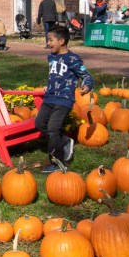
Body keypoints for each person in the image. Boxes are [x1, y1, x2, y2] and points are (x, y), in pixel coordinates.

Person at [35, 26, 94, 173]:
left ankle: (57, 163)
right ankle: (65, 141)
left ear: (61, 41)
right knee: (39, 124)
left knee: (53, 128)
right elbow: (55, 75)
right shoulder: (51, 57)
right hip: (50, 97)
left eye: (51, 40)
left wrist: (86, 86)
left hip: (64, 99)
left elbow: (86, 75)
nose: (48, 43)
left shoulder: (73, 59)